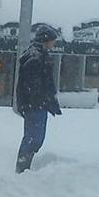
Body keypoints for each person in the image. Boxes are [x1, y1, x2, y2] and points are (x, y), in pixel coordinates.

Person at [15, 24, 62, 173]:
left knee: (34, 137)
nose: (54, 44)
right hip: (35, 105)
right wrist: (43, 99)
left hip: (34, 104)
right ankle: (22, 168)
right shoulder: (36, 58)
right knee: (34, 138)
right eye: (53, 41)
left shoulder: (35, 55)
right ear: (46, 40)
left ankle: (24, 166)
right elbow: (35, 84)